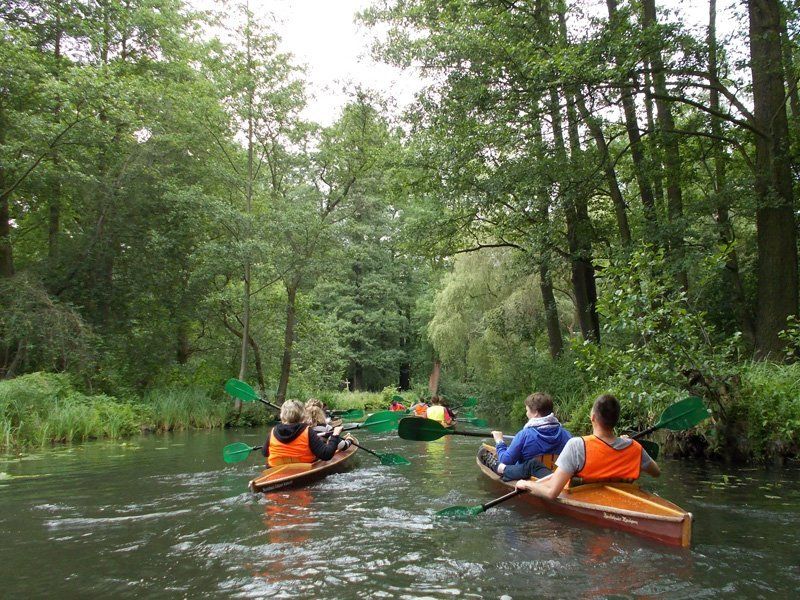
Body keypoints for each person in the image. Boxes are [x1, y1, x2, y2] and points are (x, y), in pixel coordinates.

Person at [515, 393, 660, 499]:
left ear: (593, 417)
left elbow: (552, 492)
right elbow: (656, 473)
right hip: (623, 498)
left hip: (587, 498)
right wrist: (630, 445)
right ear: (616, 420)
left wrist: (527, 484)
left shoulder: (577, 445)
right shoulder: (635, 447)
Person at [481, 392, 571, 480]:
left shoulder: (524, 435)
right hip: (557, 478)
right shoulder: (566, 434)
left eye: (527, 410)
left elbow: (505, 461)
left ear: (535, 412)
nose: (526, 414)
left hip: (531, 478)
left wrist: (499, 441)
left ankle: (500, 468)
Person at [262, 400, 352, 467]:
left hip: (276, 468)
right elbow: (326, 455)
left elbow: (265, 453)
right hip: (303, 467)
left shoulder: (273, 431)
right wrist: (335, 434)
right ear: (302, 415)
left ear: (282, 415)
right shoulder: (307, 431)